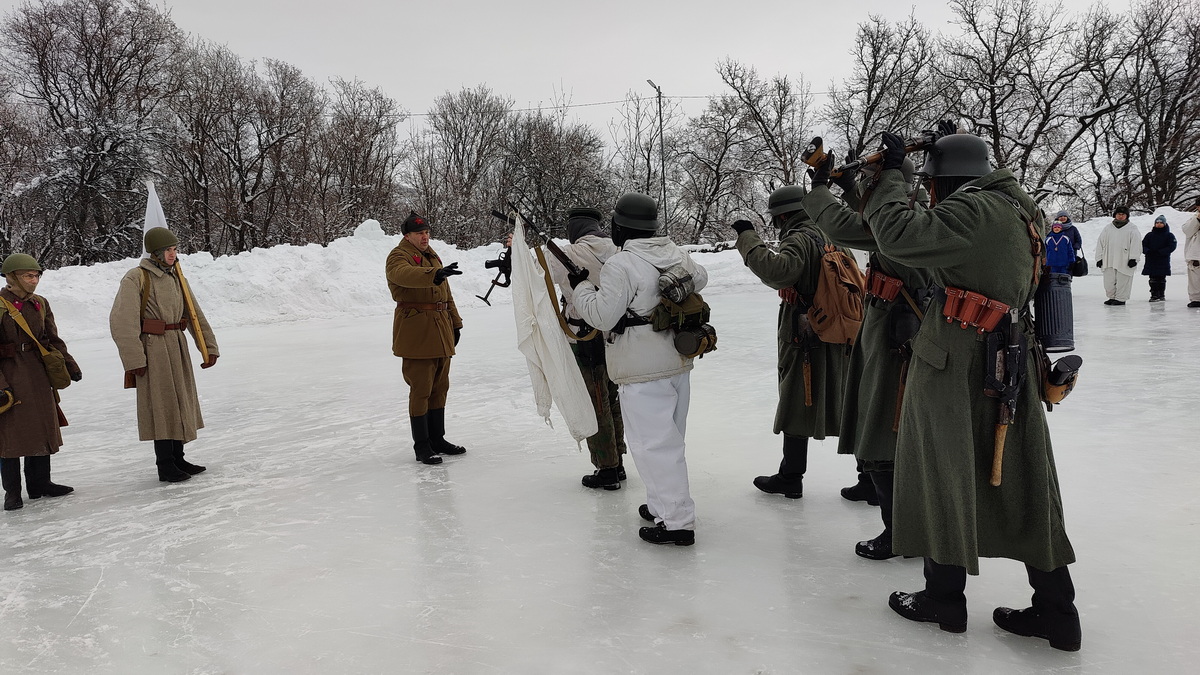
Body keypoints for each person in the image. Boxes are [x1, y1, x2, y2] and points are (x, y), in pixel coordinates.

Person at [865, 131, 1081, 651]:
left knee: (943, 471)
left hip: (957, 361)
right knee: (1027, 482)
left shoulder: (973, 213)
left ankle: (944, 598)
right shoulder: (1017, 204)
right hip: (1010, 356)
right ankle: (1057, 612)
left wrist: (894, 176)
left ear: (944, 183)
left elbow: (895, 234)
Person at [803, 154, 932, 559]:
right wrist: (850, 188)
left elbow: (845, 227)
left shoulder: (898, 225)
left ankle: (900, 533)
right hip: (896, 326)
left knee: (882, 431)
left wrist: (821, 187)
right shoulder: (918, 212)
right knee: (885, 429)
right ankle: (902, 523)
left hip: (895, 332)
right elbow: (873, 214)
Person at [572, 192, 708, 546]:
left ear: (622, 226)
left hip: (642, 370)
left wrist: (581, 288)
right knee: (670, 440)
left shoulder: (623, 264)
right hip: (677, 362)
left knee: (654, 447)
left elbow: (602, 316)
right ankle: (663, 505)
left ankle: (677, 521)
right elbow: (702, 277)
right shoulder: (675, 253)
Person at [730, 186, 849, 501]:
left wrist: (747, 237)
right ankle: (870, 477)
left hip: (806, 332)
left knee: (797, 399)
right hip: (840, 329)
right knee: (851, 401)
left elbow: (777, 271)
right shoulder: (831, 234)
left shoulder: (799, 237)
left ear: (783, 216)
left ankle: (790, 476)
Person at [110, 227, 219, 483]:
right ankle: (165, 464)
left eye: (175, 249)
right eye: (169, 250)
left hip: (176, 344)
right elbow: (122, 322)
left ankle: (178, 457)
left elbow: (194, 313)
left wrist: (208, 347)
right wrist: (134, 359)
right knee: (161, 405)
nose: (173, 254)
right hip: (153, 349)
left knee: (179, 401)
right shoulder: (136, 278)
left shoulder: (177, 277)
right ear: (157, 252)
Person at [545, 207, 628, 490]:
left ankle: (607, 468)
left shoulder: (570, 252)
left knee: (594, 402)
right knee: (612, 399)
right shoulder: (618, 249)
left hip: (585, 336)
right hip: (616, 336)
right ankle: (618, 463)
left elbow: (535, 272)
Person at [1, 253, 82, 510]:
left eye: (36, 275)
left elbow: (52, 339)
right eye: (28, 276)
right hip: (10, 374)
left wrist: (69, 364)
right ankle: (12, 492)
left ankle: (40, 483)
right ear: (12, 278)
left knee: (41, 427)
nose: (34, 281)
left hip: (38, 372)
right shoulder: (1, 305)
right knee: (11, 437)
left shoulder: (41, 303)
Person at [386, 212, 465, 466]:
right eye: (420, 233)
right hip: (417, 331)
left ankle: (437, 439)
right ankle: (422, 446)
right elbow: (403, 275)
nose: (425, 236)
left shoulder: (432, 255)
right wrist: (433, 274)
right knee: (421, 389)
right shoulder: (398, 256)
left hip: (440, 329)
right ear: (407, 235)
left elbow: (446, 294)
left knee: (440, 387)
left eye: (427, 232)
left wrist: (455, 322)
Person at [1094, 206, 1141, 305]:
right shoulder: (1108, 228)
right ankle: (1112, 297)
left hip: (1124, 259)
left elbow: (1136, 244)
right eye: (1119, 214)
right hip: (1109, 258)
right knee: (1109, 281)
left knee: (1123, 280)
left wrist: (1134, 258)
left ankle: (1121, 298)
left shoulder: (1132, 228)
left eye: (1123, 214)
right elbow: (1100, 243)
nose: (1120, 216)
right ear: (1115, 215)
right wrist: (1099, 258)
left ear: (1126, 216)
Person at [1141, 215, 1178, 302]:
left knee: (1161, 278)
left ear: (1164, 224)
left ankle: (1161, 294)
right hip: (1151, 259)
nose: (1159, 224)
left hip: (1163, 260)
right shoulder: (1149, 235)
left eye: (1161, 223)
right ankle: (1154, 294)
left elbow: (1172, 246)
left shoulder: (1169, 235)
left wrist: (1161, 252)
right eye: (1157, 223)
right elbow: (1142, 245)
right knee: (1153, 278)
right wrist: (1148, 251)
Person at [1185, 202, 1200, 308]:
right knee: (1194, 279)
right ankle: (1196, 298)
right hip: (1195, 254)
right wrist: (1197, 220)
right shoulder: (1193, 218)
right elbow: (1187, 231)